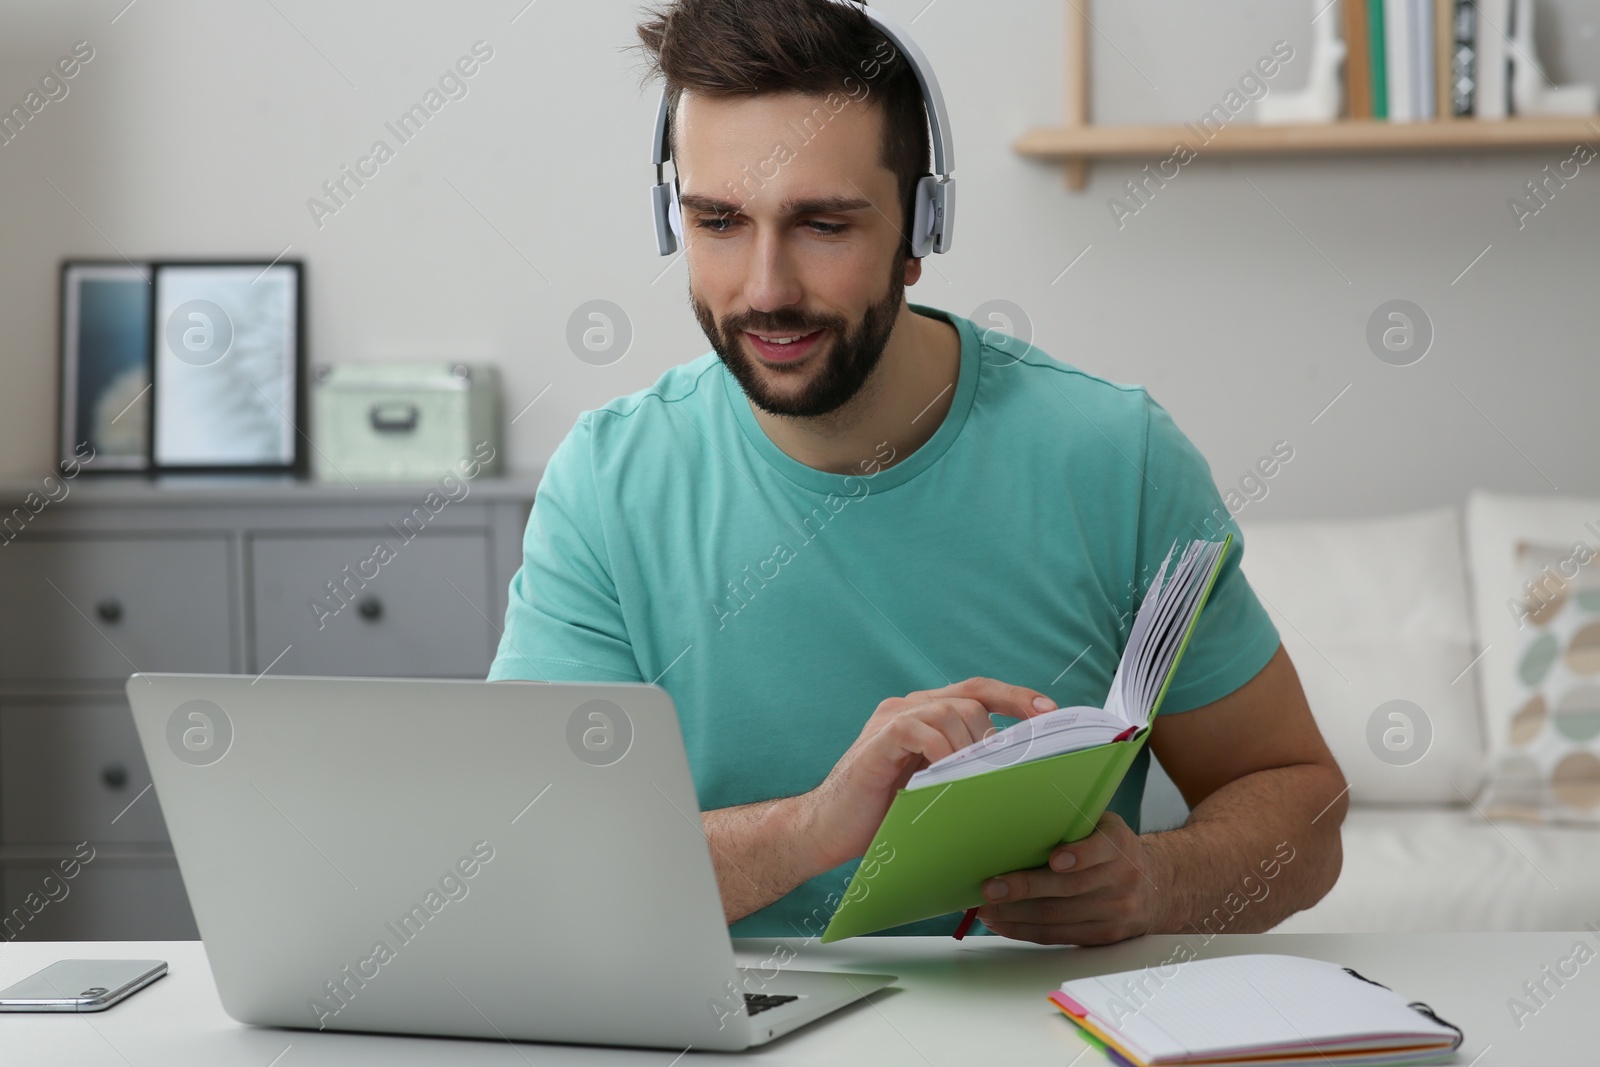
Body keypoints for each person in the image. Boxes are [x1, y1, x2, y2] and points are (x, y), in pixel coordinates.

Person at [489, 0, 1347, 945]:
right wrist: (811, 829)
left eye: (823, 224)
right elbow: (539, 863)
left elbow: (1302, 808)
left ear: (920, 230)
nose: (766, 287)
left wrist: (1156, 880)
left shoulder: (1116, 460)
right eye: (719, 220)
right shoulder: (607, 486)